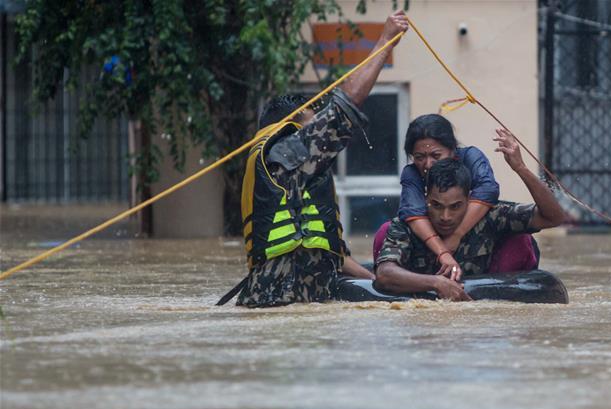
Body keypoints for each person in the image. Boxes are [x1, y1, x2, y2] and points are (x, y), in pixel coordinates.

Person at [221, 11, 407, 308]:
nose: (319, 126)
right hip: (282, 301)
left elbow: (330, 253)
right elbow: (345, 108)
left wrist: (379, 283)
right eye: (313, 121)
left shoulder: (290, 165)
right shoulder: (283, 154)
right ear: (293, 123)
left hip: (301, 297)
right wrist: (385, 41)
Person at [374, 129, 566, 300]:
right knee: (384, 230)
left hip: (488, 303)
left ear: (469, 200)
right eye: (437, 206)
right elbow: (385, 274)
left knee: (521, 239)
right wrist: (436, 283)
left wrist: (521, 168)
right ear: (426, 200)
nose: (446, 216)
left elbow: (554, 217)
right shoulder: (407, 225)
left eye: (456, 206)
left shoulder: (489, 216)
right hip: (425, 301)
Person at [375, 113, 539, 280]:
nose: (428, 164)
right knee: (384, 231)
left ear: (453, 151)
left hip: (474, 229)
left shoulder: (470, 157)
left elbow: (488, 190)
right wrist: (443, 251)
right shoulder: (411, 173)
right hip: (434, 242)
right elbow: (412, 212)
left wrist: (456, 235)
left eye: (436, 156)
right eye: (419, 157)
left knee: (520, 237)